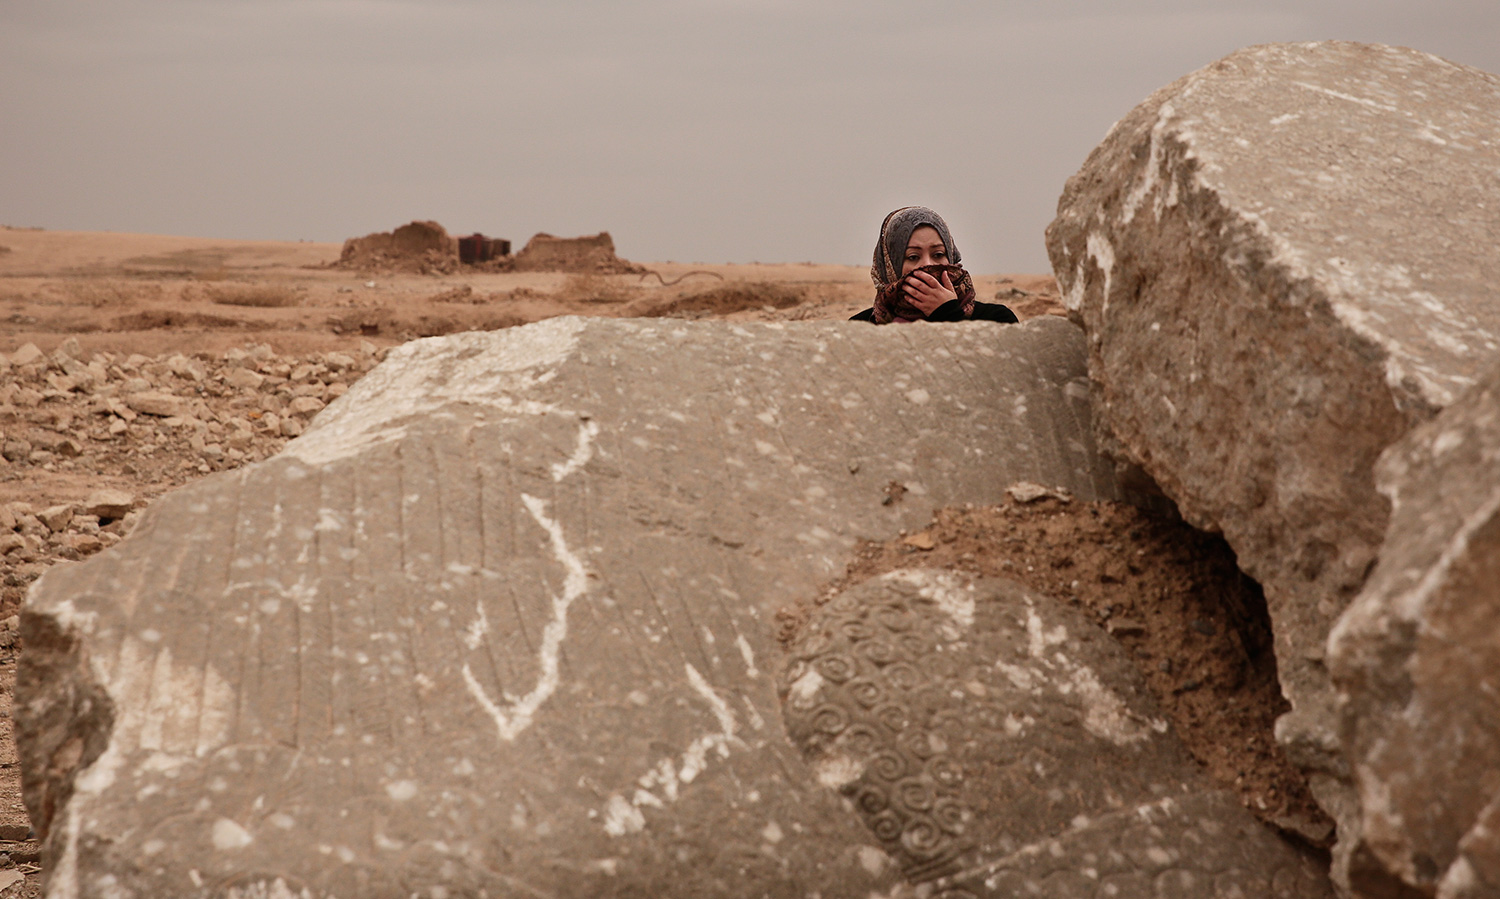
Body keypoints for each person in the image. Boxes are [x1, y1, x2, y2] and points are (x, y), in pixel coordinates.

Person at [850, 206, 1019, 324]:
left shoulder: (996, 320)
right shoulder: (861, 328)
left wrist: (948, 314)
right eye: (913, 257)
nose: (928, 265)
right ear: (890, 267)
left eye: (938, 254)